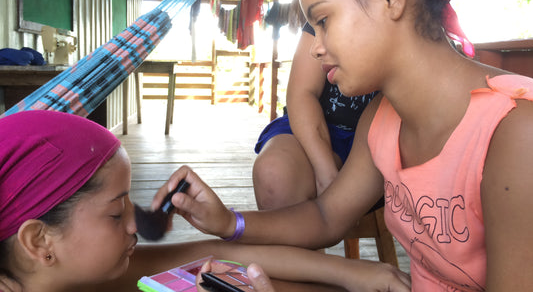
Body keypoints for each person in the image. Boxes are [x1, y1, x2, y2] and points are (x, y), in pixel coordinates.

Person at [155, 0, 533, 290]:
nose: (316, 47)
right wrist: (227, 222)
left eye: (322, 20)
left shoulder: (514, 132)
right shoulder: (383, 117)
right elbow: (325, 217)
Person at [0, 110, 410, 292]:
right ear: (39, 242)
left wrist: (353, 274)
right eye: (115, 212)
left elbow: (214, 252)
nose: (134, 224)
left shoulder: (87, 270)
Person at [253, 21, 377, 209]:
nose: (316, 50)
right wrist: (326, 173)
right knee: (275, 172)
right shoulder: (323, 6)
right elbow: (302, 92)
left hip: (381, 135)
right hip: (314, 126)